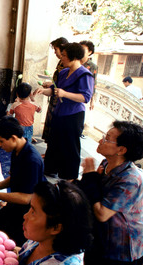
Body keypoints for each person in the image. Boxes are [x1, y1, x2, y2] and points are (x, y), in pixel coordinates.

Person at [78, 121, 143, 265]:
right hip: (103, 236)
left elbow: (102, 213)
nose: (101, 140)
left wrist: (88, 178)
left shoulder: (130, 179)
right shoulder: (105, 163)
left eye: (108, 138)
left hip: (123, 245)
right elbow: (94, 189)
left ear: (121, 150)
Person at [0, 116, 46, 246]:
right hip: (15, 204)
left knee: (11, 242)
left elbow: (27, 198)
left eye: (1, 141)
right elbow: (15, 177)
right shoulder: (17, 151)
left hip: (28, 210)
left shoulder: (31, 160)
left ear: (14, 138)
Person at [34, 42, 94, 180]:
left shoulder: (85, 75)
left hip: (73, 115)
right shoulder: (64, 72)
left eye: (64, 56)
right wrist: (44, 91)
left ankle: (69, 176)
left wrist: (65, 94)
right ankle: (50, 169)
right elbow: (56, 91)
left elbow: (85, 97)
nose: (62, 59)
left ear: (74, 57)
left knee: (70, 146)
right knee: (54, 142)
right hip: (59, 112)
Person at [41, 37, 68, 143]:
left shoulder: (67, 66)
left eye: (56, 49)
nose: (55, 52)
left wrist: (52, 85)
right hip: (55, 98)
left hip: (60, 101)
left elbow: (63, 84)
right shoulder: (61, 63)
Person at [80, 40, 98, 137]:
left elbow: (93, 83)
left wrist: (92, 99)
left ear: (90, 52)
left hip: (83, 95)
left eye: (84, 49)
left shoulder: (92, 66)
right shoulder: (76, 62)